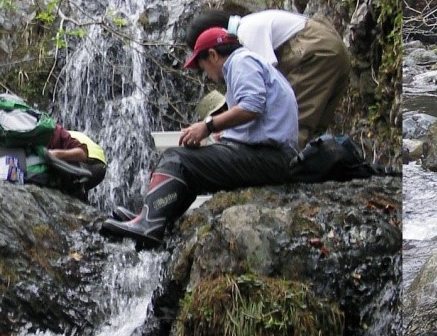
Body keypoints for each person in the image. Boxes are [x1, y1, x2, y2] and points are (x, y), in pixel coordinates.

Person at [99, 27, 297, 247]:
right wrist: (227, 135)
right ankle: (157, 218)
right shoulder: (250, 64)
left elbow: (252, 107)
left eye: (204, 69)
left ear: (213, 54)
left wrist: (207, 126)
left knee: (177, 158)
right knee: (193, 169)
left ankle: (150, 223)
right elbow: (259, 115)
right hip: (271, 157)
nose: (207, 77)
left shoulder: (241, 62)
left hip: (270, 157)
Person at [184, 8, 349, 147]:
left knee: (292, 124)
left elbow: (268, 92)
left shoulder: (246, 34)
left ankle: (288, 177)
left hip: (314, 50)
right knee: (315, 127)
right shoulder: (248, 25)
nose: (206, 74)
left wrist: (224, 128)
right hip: (331, 46)